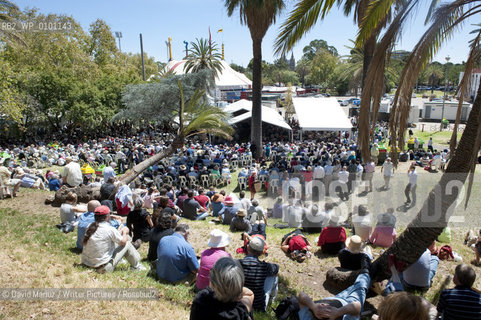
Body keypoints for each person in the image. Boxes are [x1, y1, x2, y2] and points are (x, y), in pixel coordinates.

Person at [81, 205, 145, 273]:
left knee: (116, 242)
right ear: (107, 217)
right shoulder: (110, 229)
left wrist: (119, 232)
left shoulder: (90, 226)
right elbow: (123, 242)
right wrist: (125, 232)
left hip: (87, 264)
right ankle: (136, 266)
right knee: (127, 244)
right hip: (103, 268)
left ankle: (123, 259)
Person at [297, 271, 371, 320]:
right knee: (362, 283)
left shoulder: (307, 318)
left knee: (357, 285)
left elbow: (301, 295)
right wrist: (338, 312)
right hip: (349, 303)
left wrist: (314, 307)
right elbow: (357, 306)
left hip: (336, 298)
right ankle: (367, 268)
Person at [239, 236, 279, 312]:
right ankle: (272, 300)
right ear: (261, 252)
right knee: (273, 275)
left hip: (239, 302)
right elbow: (276, 268)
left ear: (247, 247)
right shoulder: (264, 266)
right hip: (258, 306)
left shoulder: (238, 263)